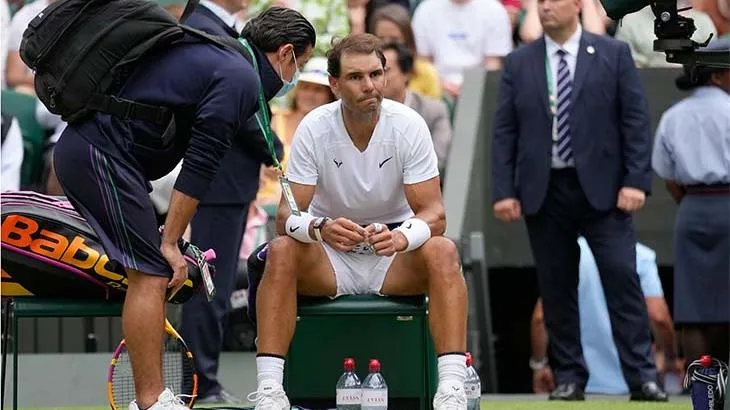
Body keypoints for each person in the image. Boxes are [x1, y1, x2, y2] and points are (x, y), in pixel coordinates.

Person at [51, 7, 315, 410]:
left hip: (106, 157)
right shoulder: (240, 77)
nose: (296, 75)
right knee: (153, 272)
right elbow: (200, 164)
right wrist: (172, 241)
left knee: (151, 271)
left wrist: (168, 236)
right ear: (285, 54)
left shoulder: (226, 57)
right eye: (303, 63)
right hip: (99, 156)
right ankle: (153, 400)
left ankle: (154, 397)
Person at [246, 33, 469, 410]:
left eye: (376, 74)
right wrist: (320, 227)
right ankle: (271, 391)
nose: (369, 85)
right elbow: (287, 218)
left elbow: (436, 215)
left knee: (443, 251)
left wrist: (401, 239)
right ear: (334, 84)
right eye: (355, 77)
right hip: (330, 258)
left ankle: (452, 390)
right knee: (281, 252)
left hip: (393, 258)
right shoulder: (315, 127)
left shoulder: (409, 125)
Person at [490, 0, 666, 401]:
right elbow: (505, 130)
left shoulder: (613, 53)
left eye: (555, 0)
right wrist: (503, 191)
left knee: (622, 278)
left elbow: (635, 120)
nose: (546, 7)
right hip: (544, 189)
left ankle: (643, 376)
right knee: (556, 286)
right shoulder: (520, 61)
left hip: (605, 191)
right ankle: (569, 375)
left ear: (577, 5)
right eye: (541, 2)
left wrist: (636, 181)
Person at [179, 0, 286, 403]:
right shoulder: (204, 27)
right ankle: (199, 383)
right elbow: (237, 106)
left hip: (226, 182)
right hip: (216, 181)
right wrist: (272, 147)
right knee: (209, 287)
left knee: (215, 287)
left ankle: (202, 380)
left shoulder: (218, 27)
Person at [651, 38, 730, 366]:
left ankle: (702, 395)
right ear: (717, 75)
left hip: (692, 209)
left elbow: (667, 175)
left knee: (694, 309)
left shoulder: (673, 116)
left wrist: (693, 201)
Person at [530, 238, 682, 395]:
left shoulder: (565, 255)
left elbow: (540, 318)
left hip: (577, 388)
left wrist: (539, 365)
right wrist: (670, 358)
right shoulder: (639, 256)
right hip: (635, 385)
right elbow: (659, 317)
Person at [381, 41, 453, 176]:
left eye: (385, 71)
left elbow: (438, 160)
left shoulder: (434, 111)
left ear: (406, 73)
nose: (379, 78)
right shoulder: (364, 110)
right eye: (375, 73)